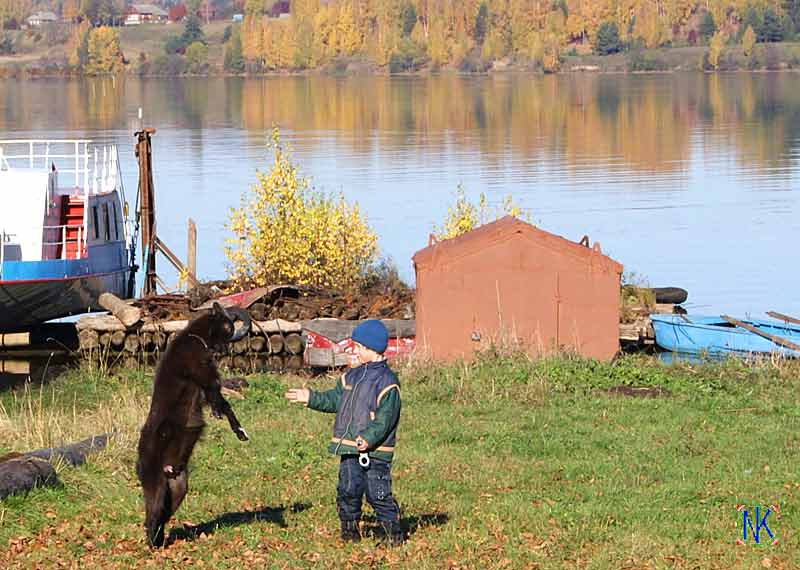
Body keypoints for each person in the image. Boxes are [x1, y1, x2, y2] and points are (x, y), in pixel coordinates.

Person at [285, 319, 403, 546]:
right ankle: (349, 531)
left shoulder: (387, 382)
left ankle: (392, 534)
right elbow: (334, 400)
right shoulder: (350, 376)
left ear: (372, 349)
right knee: (348, 490)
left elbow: (385, 419)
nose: (353, 350)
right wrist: (310, 397)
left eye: (358, 347)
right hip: (349, 447)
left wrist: (369, 438)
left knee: (377, 494)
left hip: (375, 452)